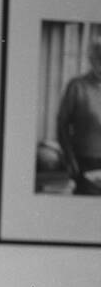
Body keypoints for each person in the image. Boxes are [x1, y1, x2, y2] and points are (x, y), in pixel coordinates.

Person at [55, 36, 101, 194]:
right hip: (85, 161)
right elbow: (62, 124)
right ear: (91, 59)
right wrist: (69, 158)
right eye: (99, 57)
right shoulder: (77, 86)